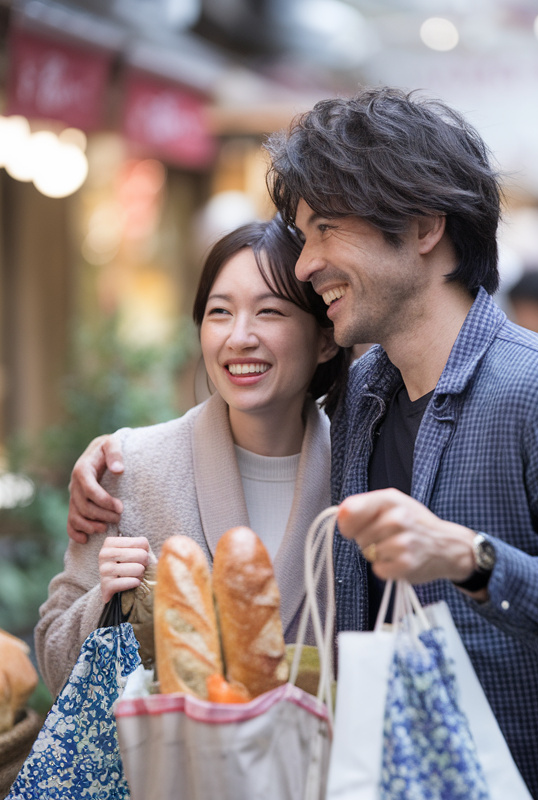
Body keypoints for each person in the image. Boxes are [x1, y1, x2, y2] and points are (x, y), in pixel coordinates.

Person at [71, 88, 538, 800]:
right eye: (304, 236)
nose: (305, 265)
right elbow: (256, 404)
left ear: (426, 225)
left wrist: (475, 561)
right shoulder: (365, 390)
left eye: (326, 229)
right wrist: (111, 460)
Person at [36, 218, 345, 696]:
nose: (239, 337)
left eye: (270, 312)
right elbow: (55, 667)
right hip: (174, 769)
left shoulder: (363, 470)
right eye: (220, 312)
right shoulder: (129, 467)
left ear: (325, 338)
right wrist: (109, 603)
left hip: (320, 768)